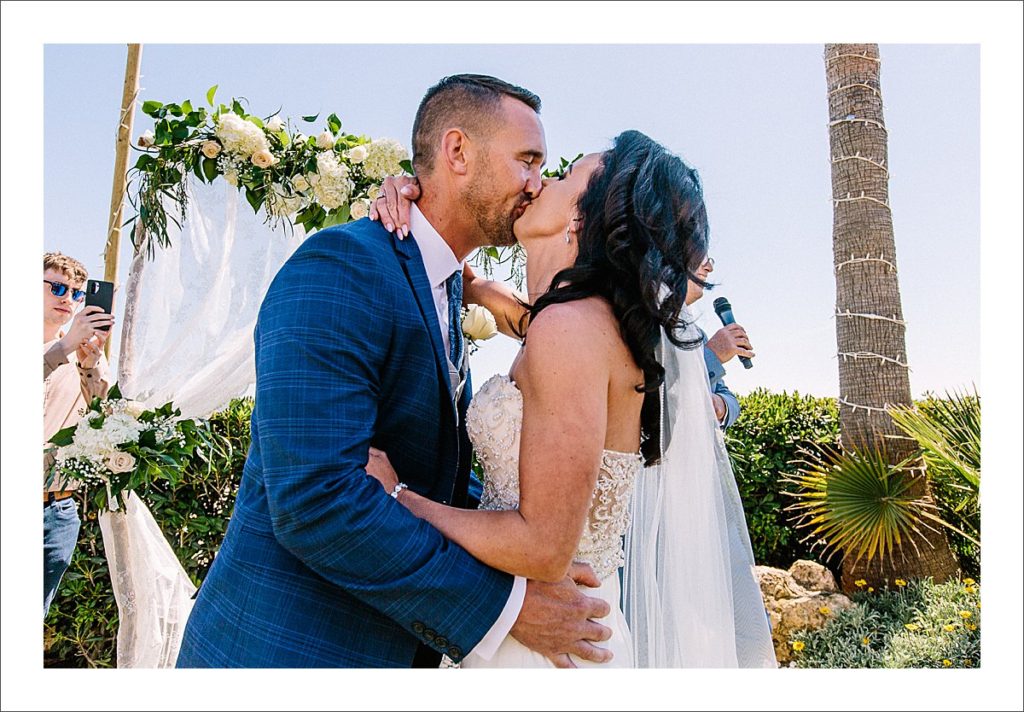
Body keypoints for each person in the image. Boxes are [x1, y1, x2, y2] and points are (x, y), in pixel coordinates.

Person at [176, 74, 614, 669]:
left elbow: (438, 472)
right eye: (528, 161)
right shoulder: (343, 266)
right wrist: (505, 607)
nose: (538, 184)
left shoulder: (451, 289)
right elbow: (316, 499)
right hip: (290, 653)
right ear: (457, 151)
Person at [367, 131, 777, 667]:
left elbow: (541, 545)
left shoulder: (569, 328)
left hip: (545, 646)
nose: (541, 183)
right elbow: (503, 302)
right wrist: (419, 211)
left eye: (562, 177)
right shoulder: (579, 323)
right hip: (571, 626)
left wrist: (400, 499)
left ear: (582, 219)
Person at [43, 252, 113, 616]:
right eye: (56, 287)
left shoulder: (81, 353)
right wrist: (64, 347)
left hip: (58, 510)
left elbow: (107, 415)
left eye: (76, 293)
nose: (67, 299)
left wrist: (90, 364)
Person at [685, 256, 754, 430]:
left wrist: (720, 405)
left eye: (710, 259)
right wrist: (713, 355)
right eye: (699, 256)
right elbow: (662, 397)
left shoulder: (699, 335)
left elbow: (730, 399)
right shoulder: (647, 328)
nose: (709, 267)